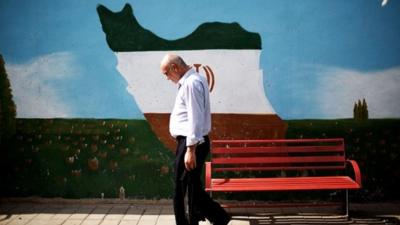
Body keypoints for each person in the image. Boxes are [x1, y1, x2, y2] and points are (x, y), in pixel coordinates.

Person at [160, 53, 231, 225]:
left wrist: (190, 149)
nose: (167, 78)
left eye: (166, 73)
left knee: (180, 185)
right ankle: (218, 217)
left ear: (175, 68)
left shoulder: (191, 84)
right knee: (192, 185)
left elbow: (195, 117)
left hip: (191, 142)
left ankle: (207, 218)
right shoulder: (194, 80)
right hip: (192, 141)